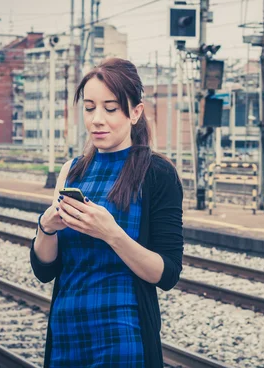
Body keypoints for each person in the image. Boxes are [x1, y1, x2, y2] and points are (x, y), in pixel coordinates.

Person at [30, 58, 183, 368]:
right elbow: (45, 270)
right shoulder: (71, 171)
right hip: (67, 333)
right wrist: (46, 227)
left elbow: (166, 273)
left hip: (124, 338)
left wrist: (111, 233)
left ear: (136, 112)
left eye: (110, 109)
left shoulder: (157, 173)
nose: (97, 119)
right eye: (89, 108)